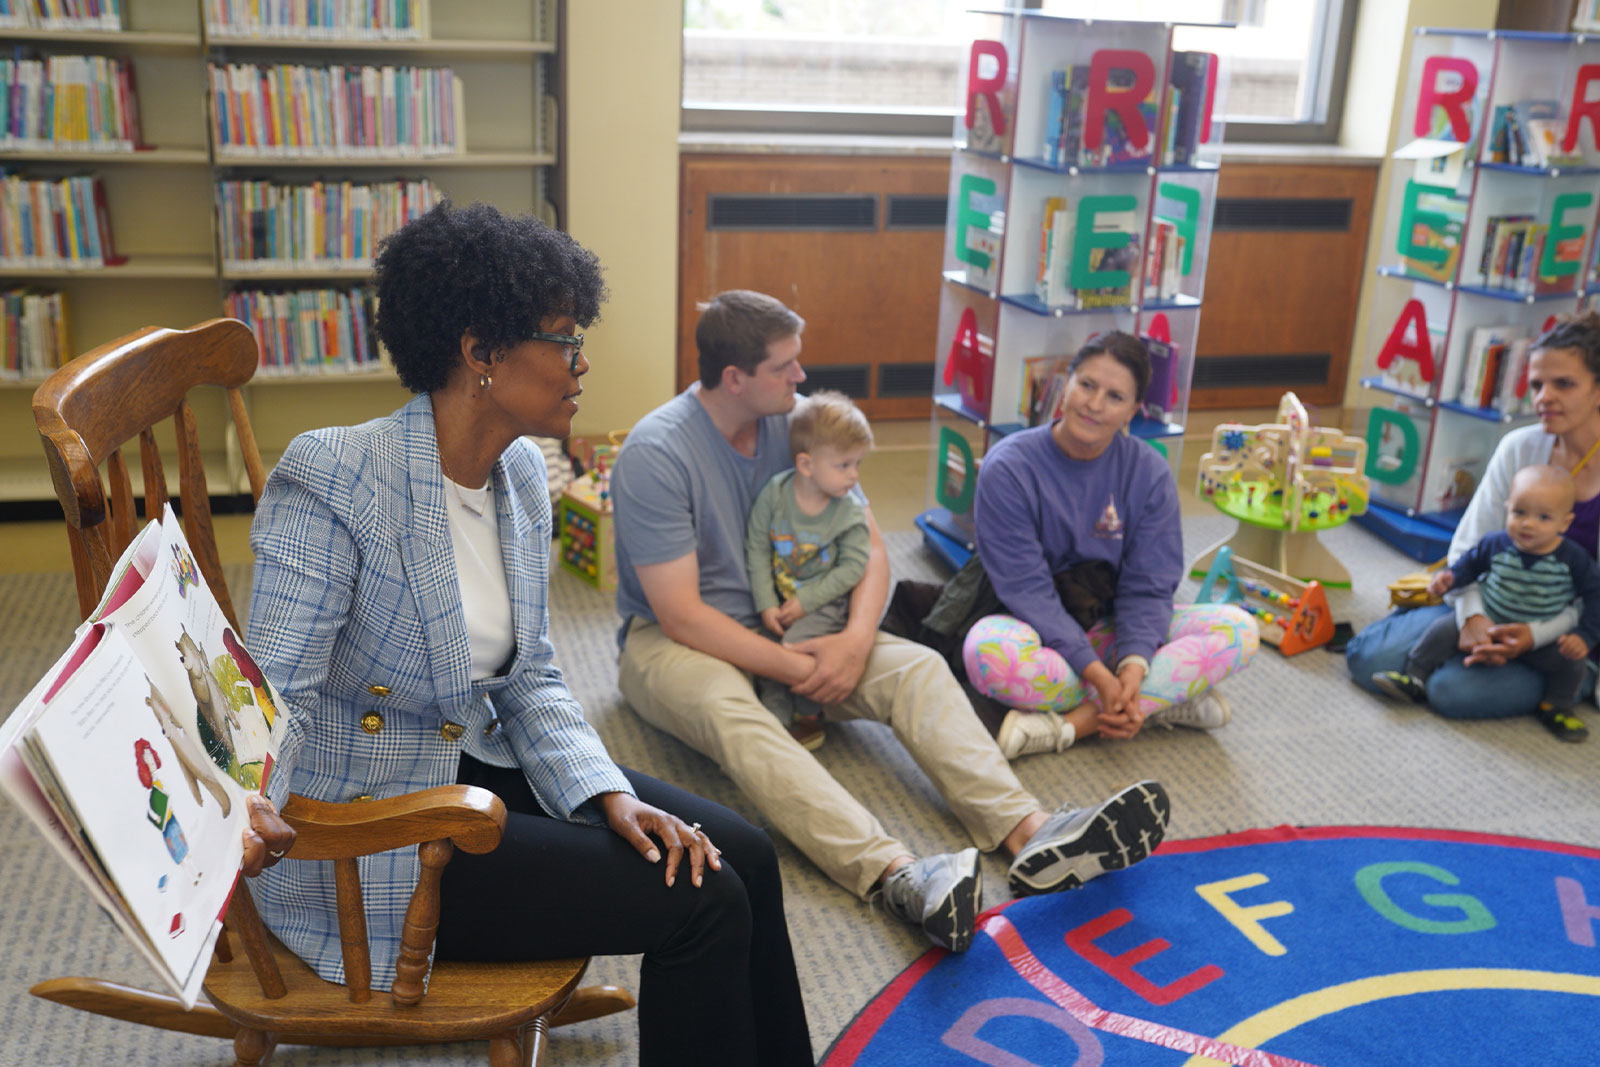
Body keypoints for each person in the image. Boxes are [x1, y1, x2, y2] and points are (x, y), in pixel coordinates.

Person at [236, 204, 812, 1067]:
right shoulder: (335, 476)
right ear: (480, 352)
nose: (582, 365)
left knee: (747, 854)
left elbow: (530, 674)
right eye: (564, 339)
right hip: (377, 832)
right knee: (705, 900)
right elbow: (274, 686)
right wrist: (240, 801)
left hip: (480, 758)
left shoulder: (520, 473)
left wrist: (606, 792)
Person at [610, 289, 1173, 956]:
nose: (800, 377)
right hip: (674, 643)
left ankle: (1030, 829)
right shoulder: (658, 452)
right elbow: (681, 614)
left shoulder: (799, 421)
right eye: (785, 366)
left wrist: (853, 642)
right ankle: (899, 874)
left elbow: (872, 545)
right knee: (739, 719)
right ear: (735, 379)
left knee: (918, 666)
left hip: (803, 624)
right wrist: (794, 667)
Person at [962, 332, 1259, 760]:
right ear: (1065, 384)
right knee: (986, 653)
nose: (1095, 404)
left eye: (1115, 396)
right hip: (1036, 630)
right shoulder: (1008, 467)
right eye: (1086, 385)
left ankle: (1073, 724)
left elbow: (1149, 585)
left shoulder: (1149, 472)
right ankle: (1158, 703)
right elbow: (1028, 592)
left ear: (1132, 412)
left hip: (1115, 628)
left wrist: (1134, 664)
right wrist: (1100, 676)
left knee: (1239, 630)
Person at [1346, 313, 1600, 729]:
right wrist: (1474, 618)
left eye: (1564, 384)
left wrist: (1534, 636)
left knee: (1451, 692)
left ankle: (1566, 685)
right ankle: (1454, 650)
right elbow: (1469, 550)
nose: (1544, 397)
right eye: (1537, 385)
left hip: (1564, 634)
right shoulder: (1520, 447)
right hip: (1492, 598)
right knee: (1366, 659)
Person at [1371, 465, 1600, 742]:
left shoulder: (1573, 558)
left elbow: (1594, 596)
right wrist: (1449, 579)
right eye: (1519, 513)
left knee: (1571, 663)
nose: (1528, 523)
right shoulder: (1495, 543)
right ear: (1507, 508)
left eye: (1543, 517)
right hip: (1488, 620)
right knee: (1441, 630)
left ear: (1564, 523)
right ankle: (1414, 678)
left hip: (1540, 636)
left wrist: (1584, 636)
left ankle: (1556, 706)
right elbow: (1467, 567)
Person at [745, 389, 873, 750]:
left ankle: (807, 713)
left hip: (825, 604)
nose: (853, 476)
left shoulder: (848, 511)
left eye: (857, 464)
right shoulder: (776, 494)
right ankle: (776, 710)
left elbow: (854, 566)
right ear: (806, 465)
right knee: (763, 647)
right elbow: (756, 546)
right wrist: (767, 602)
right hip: (781, 601)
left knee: (795, 646)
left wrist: (806, 602)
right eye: (843, 465)